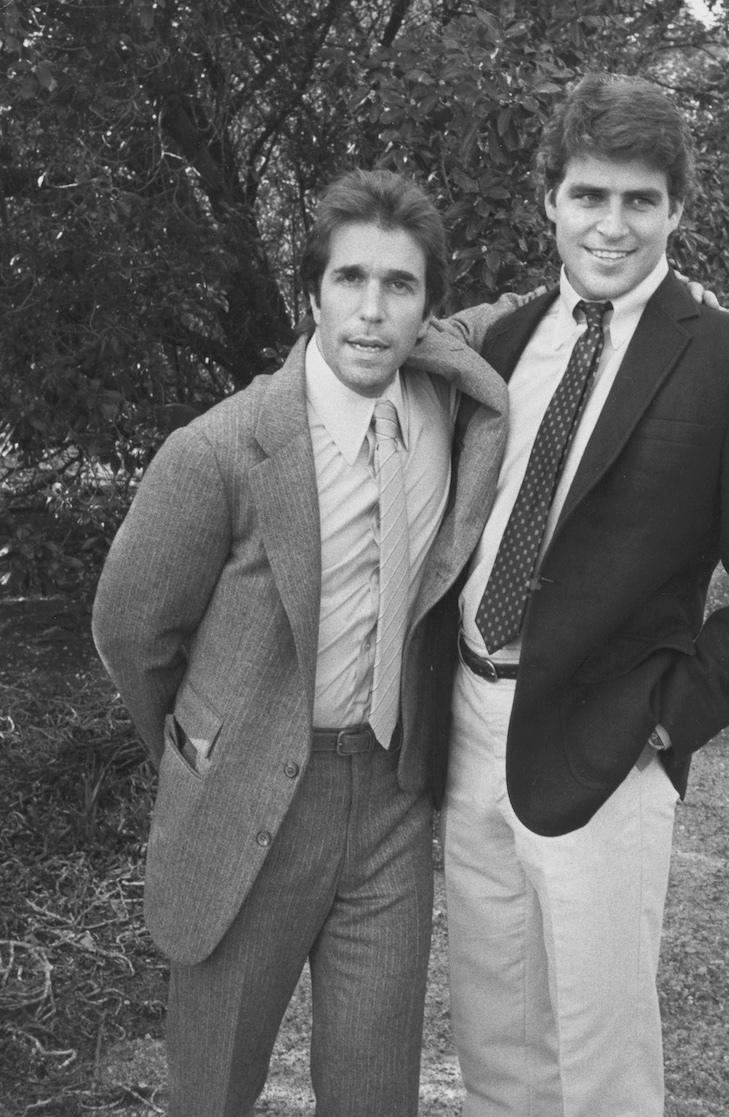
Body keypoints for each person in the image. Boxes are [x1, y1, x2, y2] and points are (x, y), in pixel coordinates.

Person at [430, 73, 729, 1117]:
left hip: (604, 745)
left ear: (675, 209)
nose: (612, 225)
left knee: (601, 1072)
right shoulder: (506, 345)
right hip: (469, 725)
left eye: (640, 201)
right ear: (551, 200)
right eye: (590, 197)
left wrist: (664, 717)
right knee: (496, 1049)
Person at [91, 168, 509, 1117]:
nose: (372, 311)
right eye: (350, 280)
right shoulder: (220, 450)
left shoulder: (448, 401)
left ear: (429, 311)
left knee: (374, 1091)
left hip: (393, 802)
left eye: (399, 286)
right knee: (215, 1088)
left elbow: (544, 302)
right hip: (250, 804)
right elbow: (129, 628)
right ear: (311, 292)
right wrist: (200, 742)